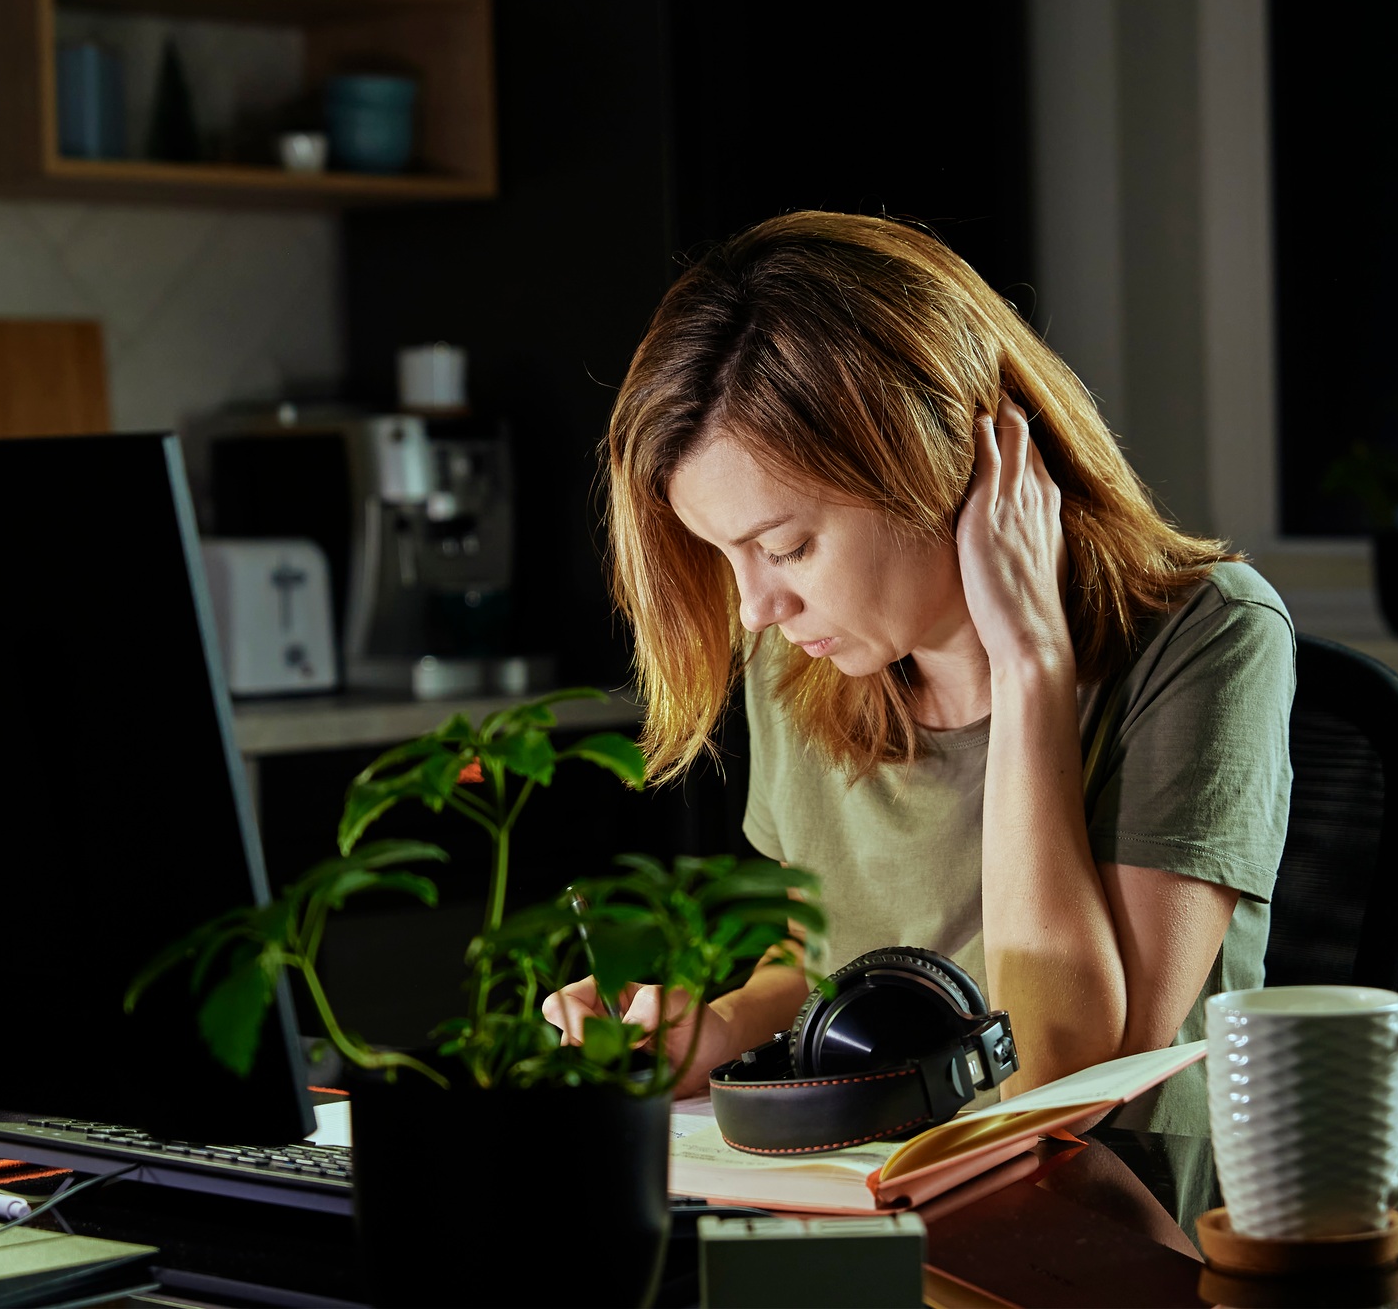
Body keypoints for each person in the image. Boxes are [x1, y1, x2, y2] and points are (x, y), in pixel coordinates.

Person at [546, 211, 1293, 1132]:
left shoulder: (1211, 636)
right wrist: (725, 1023)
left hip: (1108, 1225)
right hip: (863, 1198)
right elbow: (817, 952)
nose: (755, 609)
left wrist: (1029, 664)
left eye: (785, 546)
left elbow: (1063, 1067)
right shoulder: (801, 656)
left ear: (938, 462)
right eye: (725, 555)